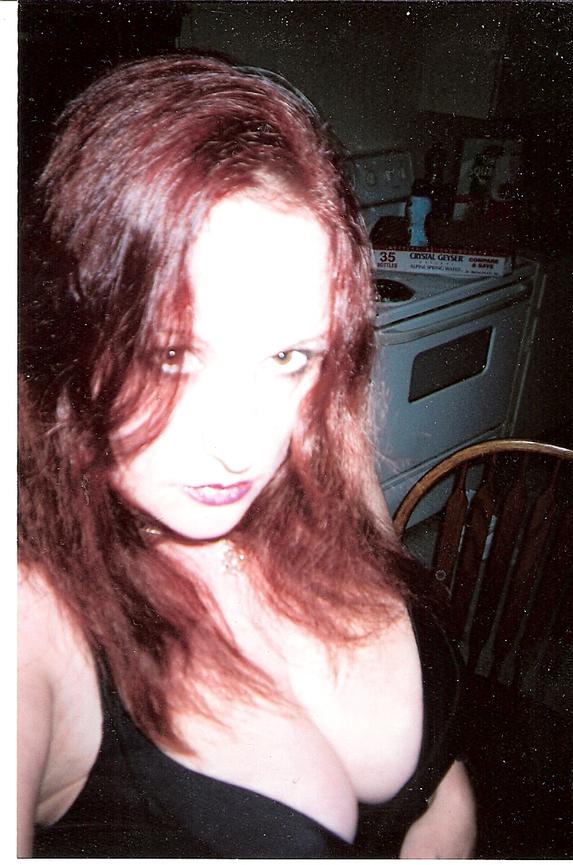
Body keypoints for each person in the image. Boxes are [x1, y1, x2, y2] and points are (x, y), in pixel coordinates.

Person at [18, 53, 476, 858]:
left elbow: (437, 779)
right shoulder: (31, 612)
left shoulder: (320, 448)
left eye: (288, 356)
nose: (244, 445)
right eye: (171, 357)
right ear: (74, 332)